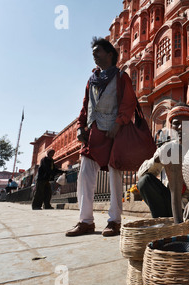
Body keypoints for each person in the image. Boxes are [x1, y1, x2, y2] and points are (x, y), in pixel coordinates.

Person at [65, 37, 136, 237]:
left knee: (115, 176)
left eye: (98, 52)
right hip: (92, 133)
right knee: (85, 176)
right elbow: (85, 105)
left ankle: (114, 221)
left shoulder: (122, 77)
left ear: (110, 54)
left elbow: (128, 103)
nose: (94, 55)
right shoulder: (92, 80)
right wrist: (80, 127)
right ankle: (85, 221)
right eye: (93, 53)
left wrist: (119, 122)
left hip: (113, 132)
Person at [137, 103, 189, 229]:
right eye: (175, 123)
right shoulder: (166, 148)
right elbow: (140, 175)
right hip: (172, 206)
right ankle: (164, 225)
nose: (179, 127)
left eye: (185, 123)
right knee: (145, 181)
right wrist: (157, 159)